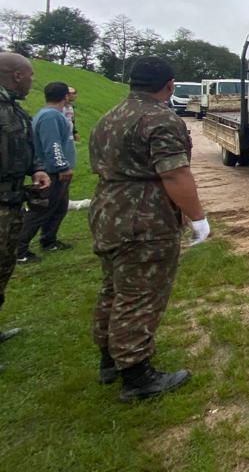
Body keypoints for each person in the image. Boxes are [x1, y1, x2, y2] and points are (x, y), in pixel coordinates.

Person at [89, 56, 210, 401]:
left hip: (107, 210)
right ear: (169, 84)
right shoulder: (159, 119)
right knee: (139, 293)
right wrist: (197, 217)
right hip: (144, 218)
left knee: (113, 288)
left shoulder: (108, 117)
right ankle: (137, 376)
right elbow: (174, 173)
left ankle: (109, 360)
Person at [0, 53, 50, 359]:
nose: (33, 81)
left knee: (4, 267)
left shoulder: (13, 110)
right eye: (30, 76)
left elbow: (21, 148)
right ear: (17, 76)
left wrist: (36, 169)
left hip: (12, 201)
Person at [17, 82, 75, 263]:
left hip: (57, 172)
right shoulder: (51, 116)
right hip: (52, 173)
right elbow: (53, 144)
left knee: (59, 207)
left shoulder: (52, 114)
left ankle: (49, 240)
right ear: (65, 96)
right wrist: (61, 166)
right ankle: (19, 250)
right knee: (39, 211)